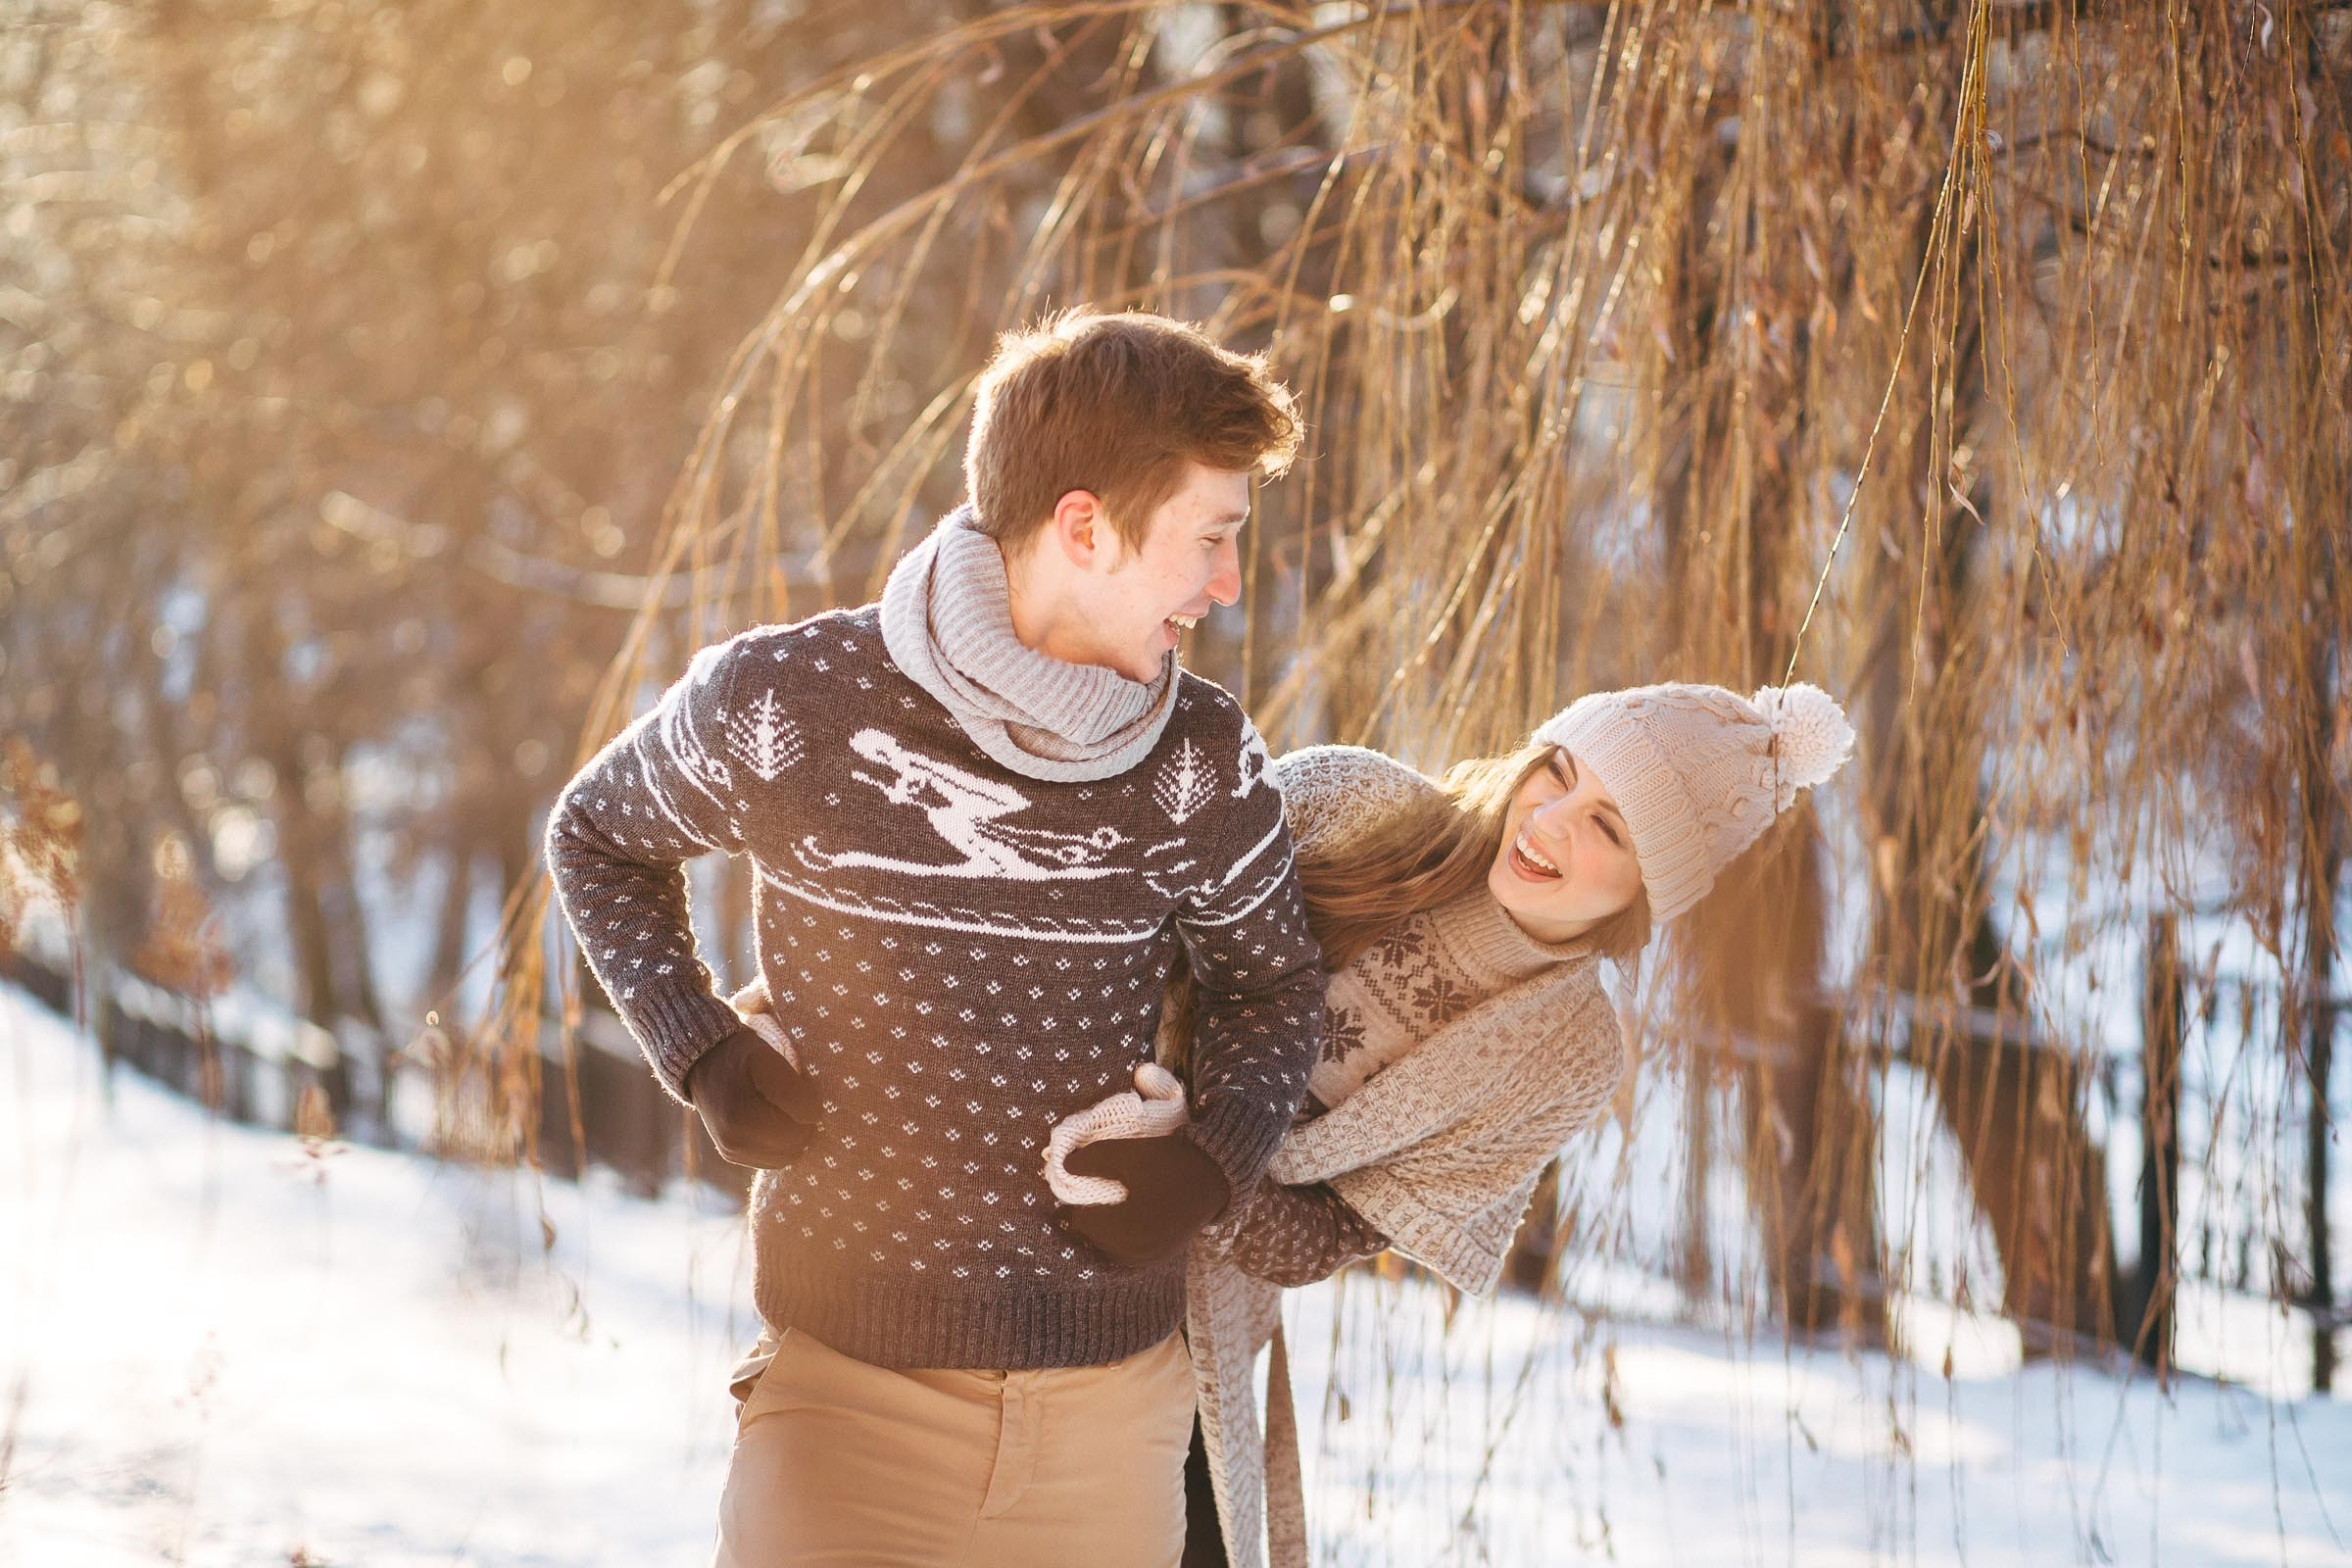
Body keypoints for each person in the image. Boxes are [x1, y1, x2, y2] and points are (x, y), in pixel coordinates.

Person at [543, 309, 1328, 1567]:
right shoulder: (790, 700)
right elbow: (597, 836)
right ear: (1085, 527)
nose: (1228, 584)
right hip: (845, 1409)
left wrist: (1214, 1159)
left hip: (1109, 1418)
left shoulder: (1201, 759)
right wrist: (700, 1050)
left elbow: (1276, 984)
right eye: (1214, 537)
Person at [1050, 679, 1856, 1568]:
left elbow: (1333, 1232)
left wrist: (1205, 1192)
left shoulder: (1567, 1054)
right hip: (1044, 1161)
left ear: (1645, 893)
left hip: (1192, 1323)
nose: (1550, 821)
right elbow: (1121, 933)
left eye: (1608, 826)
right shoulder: (1353, 804)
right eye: (1558, 772)